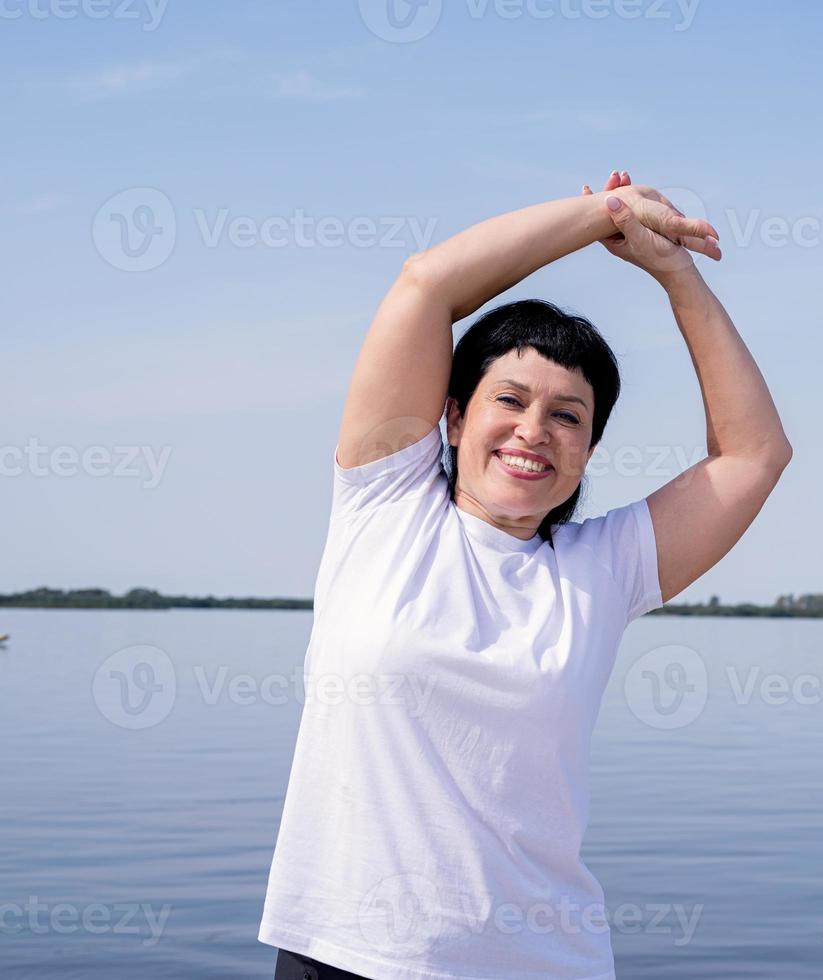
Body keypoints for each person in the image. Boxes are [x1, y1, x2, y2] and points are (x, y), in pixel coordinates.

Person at [258, 170, 793, 979]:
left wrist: (674, 272)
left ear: (587, 450)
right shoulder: (384, 508)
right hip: (344, 956)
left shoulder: (602, 571)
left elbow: (754, 454)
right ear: (454, 415)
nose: (532, 432)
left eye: (566, 416)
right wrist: (602, 214)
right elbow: (427, 284)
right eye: (508, 399)